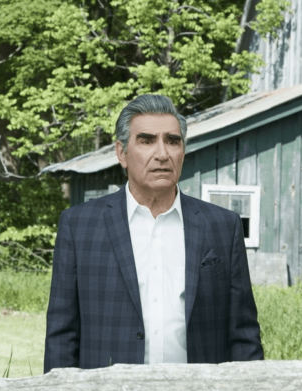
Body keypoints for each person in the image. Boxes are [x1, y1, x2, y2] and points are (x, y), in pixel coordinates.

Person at [44, 94, 264, 370]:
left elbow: (243, 334)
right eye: (147, 141)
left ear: (183, 150)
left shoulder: (222, 226)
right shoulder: (79, 226)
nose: (162, 154)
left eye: (172, 141)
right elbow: (61, 337)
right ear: (121, 153)